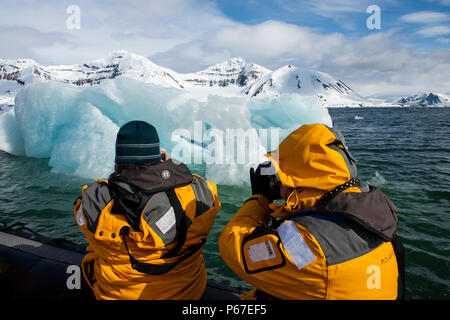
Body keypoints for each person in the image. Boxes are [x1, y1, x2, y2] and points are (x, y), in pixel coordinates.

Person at [219, 123, 405, 300]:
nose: (278, 181)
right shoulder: (374, 207)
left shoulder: (309, 241)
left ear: (300, 178)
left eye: (282, 175)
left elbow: (235, 247)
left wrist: (260, 198)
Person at [74, 120, 221, 300]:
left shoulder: (98, 201)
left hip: (121, 296)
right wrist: (166, 172)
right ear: (158, 155)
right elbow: (207, 190)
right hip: (189, 291)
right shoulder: (202, 191)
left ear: (119, 158)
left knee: (94, 251)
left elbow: (81, 212)